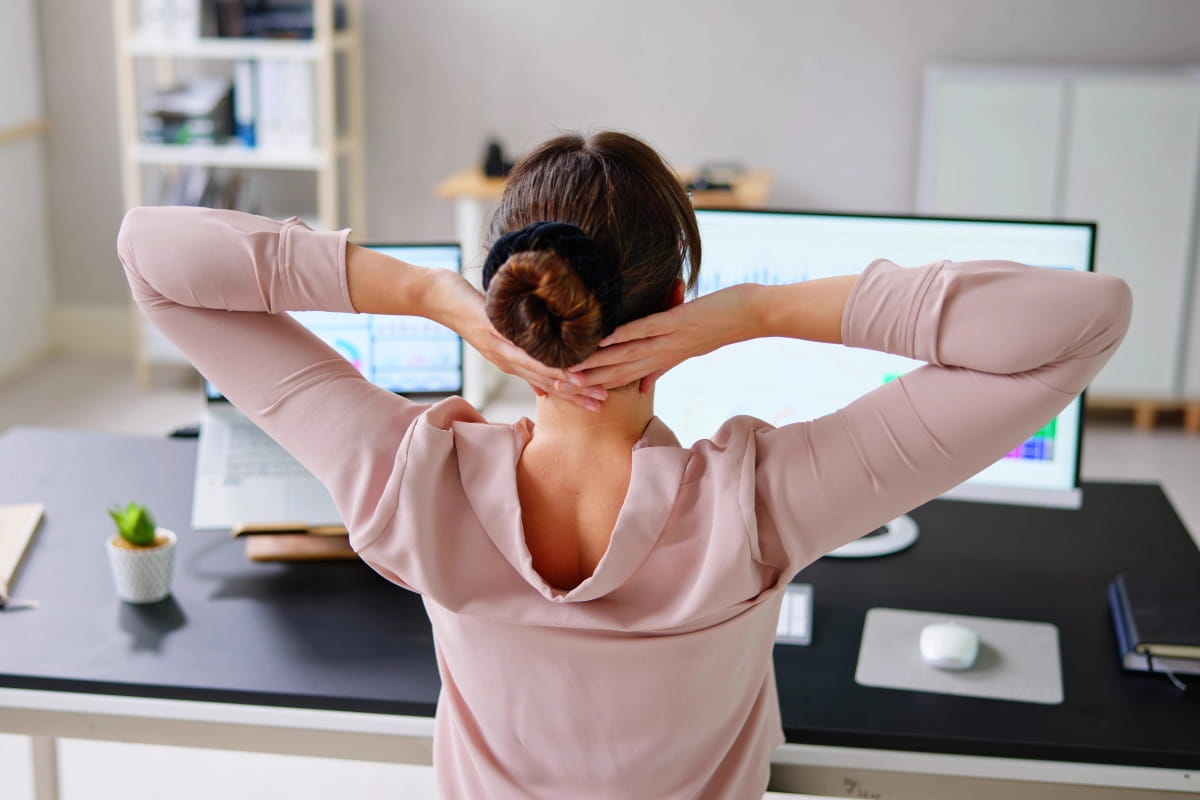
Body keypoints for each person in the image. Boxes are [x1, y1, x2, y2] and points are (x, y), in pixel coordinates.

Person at [117, 130, 1131, 799]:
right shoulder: (761, 504)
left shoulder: (403, 480)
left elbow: (154, 257)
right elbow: (1082, 321)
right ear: (679, 293)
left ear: (510, 291)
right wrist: (758, 309)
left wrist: (428, 294)